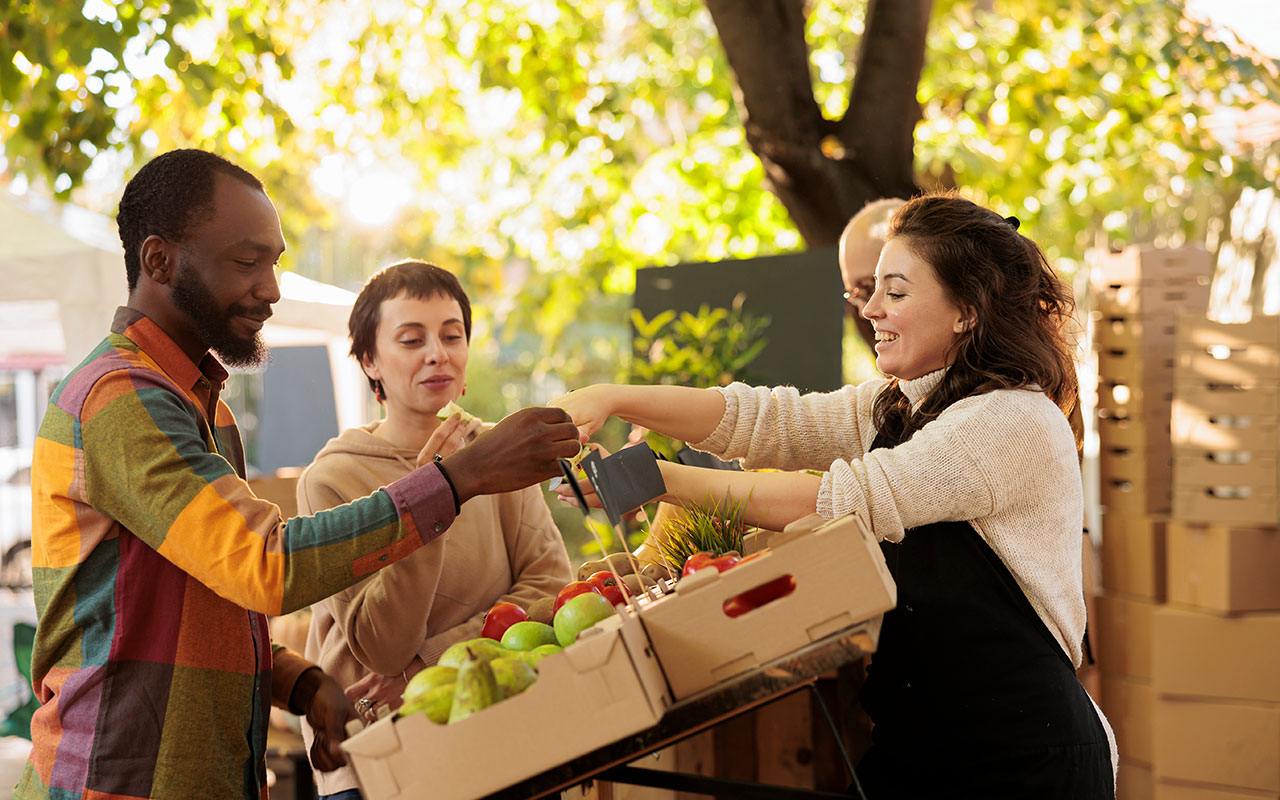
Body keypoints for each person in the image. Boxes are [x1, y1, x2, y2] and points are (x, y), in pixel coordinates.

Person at [18, 149, 580, 800]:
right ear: (159, 261)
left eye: (275, 262)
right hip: (120, 785)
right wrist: (455, 481)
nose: (272, 288)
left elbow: (214, 594)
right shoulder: (119, 398)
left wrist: (301, 684)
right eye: (246, 261)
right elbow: (266, 564)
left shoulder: (206, 409)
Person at [551, 192, 1116, 798]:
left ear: (966, 311)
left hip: (1025, 754)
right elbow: (767, 420)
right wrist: (610, 397)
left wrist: (658, 479)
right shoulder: (897, 406)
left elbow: (846, 497)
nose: (871, 308)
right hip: (927, 744)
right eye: (871, 290)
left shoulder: (1014, 420)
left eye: (895, 292)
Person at [296, 260, 573, 799]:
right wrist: (433, 497)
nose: (437, 354)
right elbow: (381, 650)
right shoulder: (331, 478)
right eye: (411, 339)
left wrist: (433, 661)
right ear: (369, 360)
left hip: (500, 725)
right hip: (381, 750)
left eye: (452, 335)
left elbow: (550, 587)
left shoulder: (501, 452)